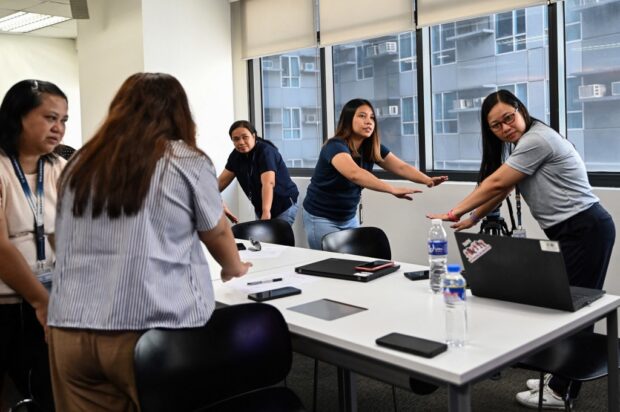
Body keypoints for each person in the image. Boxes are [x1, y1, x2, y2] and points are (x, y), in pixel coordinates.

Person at [47, 73, 251, 411]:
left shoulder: (79, 163)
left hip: (70, 329)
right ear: (179, 113)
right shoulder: (186, 160)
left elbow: (61, 238)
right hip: (147, 332)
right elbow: (215, 231)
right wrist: (234, 266)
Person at [427, 89, 615, 409]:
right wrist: (474, 216)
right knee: (560, 306)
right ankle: (559, 374)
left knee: (574, 309)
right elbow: (503, 188)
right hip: (572, 231)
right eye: (496, 126)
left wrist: (455, 211)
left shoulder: (537, 140)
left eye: (508, 118)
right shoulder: (523, 145)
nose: (505, 128)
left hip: (585, 229)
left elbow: (497, 183)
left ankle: (560, 390)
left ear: (520, 110)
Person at [0, 79, 68, 410]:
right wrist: (41, 301)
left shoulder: (57, 167)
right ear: (18, 117)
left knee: (47, 392)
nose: (59, 128)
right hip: (7, 303)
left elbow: (67, 234)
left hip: (48, 296)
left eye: (64, 120)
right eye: (50, 117)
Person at [303, 98, 448, 250]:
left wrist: (427, 180)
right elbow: (355, 174)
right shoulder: (335, 146)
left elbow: (401, 167)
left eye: (372, 117)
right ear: (348, 120)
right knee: (327, 267)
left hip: (348, 217)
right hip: (320, 217)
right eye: (362, 116)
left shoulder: (370, 147)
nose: (369, 121)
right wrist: (392, 189)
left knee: (353, 263)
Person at [218, 120, 299, 225]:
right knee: (263, 239)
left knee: (278, 239)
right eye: (236, 139)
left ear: (253, 136)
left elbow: (268, 183)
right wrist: (220, 204)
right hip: (261, 207)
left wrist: (266, 212)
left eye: (245, 137)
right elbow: (219, 183)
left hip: (283, 204)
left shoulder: (266, 152)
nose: (241, 142)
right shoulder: (235, 156)